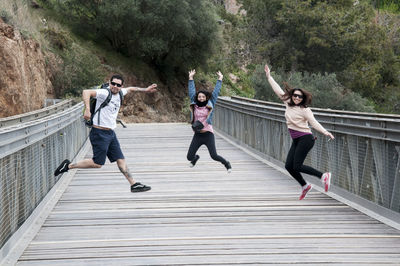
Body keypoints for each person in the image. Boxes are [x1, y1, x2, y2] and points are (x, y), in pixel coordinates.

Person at [54, 74, 157, 193]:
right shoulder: (104, 92)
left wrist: (146, 90)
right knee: (97, 164)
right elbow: (86, 92)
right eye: (113, 84)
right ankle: (68, 166)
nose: (115, 86)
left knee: (120, 159)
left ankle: (133, 184)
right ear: (109, 83)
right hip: (99, 133)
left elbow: (131, 89)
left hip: (111, 133)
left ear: (121, 86)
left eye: (118, 85)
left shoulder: (120, 93)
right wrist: (87, 109)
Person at [264, 64, 335, 200]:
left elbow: (313, 123)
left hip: (306, 139)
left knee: (297, 165)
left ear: (303, 99)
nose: (297, 98)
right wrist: (269, 76)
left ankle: (323, 176)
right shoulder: (288, 102)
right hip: (296, 139)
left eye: (300, 97)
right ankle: (305, 186)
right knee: (289, 166)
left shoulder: (305, 110)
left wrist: (325, 132)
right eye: (295, 96)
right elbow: (277, 90)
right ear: (292, 96)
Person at [186, 69, 232, 172]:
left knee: (214, 155)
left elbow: (216, 92)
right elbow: (191, 91)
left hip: (208, 134)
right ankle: (195, 159)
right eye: (199, 96)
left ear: (206, 97)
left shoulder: (210, 103)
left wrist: (220, 79)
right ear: (197, 97)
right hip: (198, 134)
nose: (201, 98)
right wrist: (191, 78)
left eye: (203, 97)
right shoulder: (194, 104)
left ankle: (226, 163)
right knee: (189, 157)